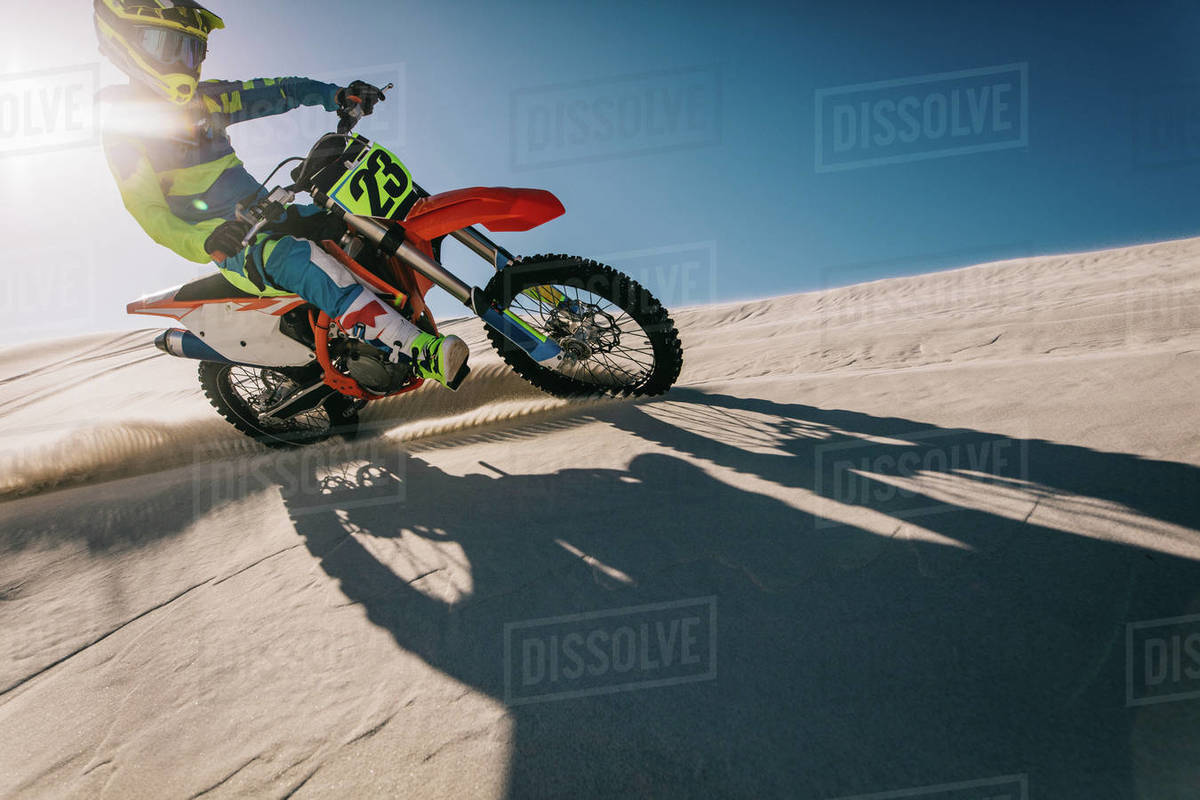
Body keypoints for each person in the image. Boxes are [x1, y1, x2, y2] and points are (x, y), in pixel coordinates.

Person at [93, 0, 469, 389]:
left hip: (271, 213)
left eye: (192, 49)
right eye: (166, 44)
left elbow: (280, 92)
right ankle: (418, 351)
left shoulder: (208, 99)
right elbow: (148, 211)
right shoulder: (124, 126)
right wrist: (205, 240)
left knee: (354, 223)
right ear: (124, 42)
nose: (182, 61)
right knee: (297, 258)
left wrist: (337, 95)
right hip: (236, 242)